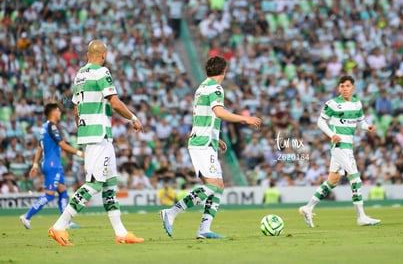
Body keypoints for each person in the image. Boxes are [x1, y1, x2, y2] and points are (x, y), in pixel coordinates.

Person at [48, 40, 145, 246]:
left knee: (110, 185)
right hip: (98, 135)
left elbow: (75, 109)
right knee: (93, 184)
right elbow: (115, 102)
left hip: (93, 135)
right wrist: (134, 118)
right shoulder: (102, 72)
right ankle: (59, 226)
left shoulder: (80, 75)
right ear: (103, 55)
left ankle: (121, 233)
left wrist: (83, 128)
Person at [160, 56, 262, 239]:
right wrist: (244, 118)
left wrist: (218, 137)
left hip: (206, 140)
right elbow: (219, 112)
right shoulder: (216, 88)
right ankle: (171, 212)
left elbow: (204, 117)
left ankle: (204, 229)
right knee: (212, 187)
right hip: (202, 143)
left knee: (218, 186)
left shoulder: (202, 88)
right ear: (224, 71)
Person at [299, 75, 381, 227]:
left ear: (353, 88)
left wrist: (367, 126)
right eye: (342, 86)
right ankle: (361, 217)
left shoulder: (357, 103)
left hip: (348, 146)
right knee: (355, 178)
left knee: (333, 180)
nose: (344, 89)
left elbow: (359, 121)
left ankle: (308, 207)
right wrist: (332, 135)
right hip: (340, 146)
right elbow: (320, 122)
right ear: (339, 88)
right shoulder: (332, 104)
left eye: (347, 86)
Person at [19, 103, 83, 230]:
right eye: (58, 111)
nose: (60, 113)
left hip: (53, 164)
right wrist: (79, 153)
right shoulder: (51, 126)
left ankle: (67, 222)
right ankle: (27, 216)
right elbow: (62, 144)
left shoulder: (44, 127)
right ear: (53, 113)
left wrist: (35, 164)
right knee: (49, 195)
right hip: (52, 164)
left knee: (63, 192)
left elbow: (39, 147)